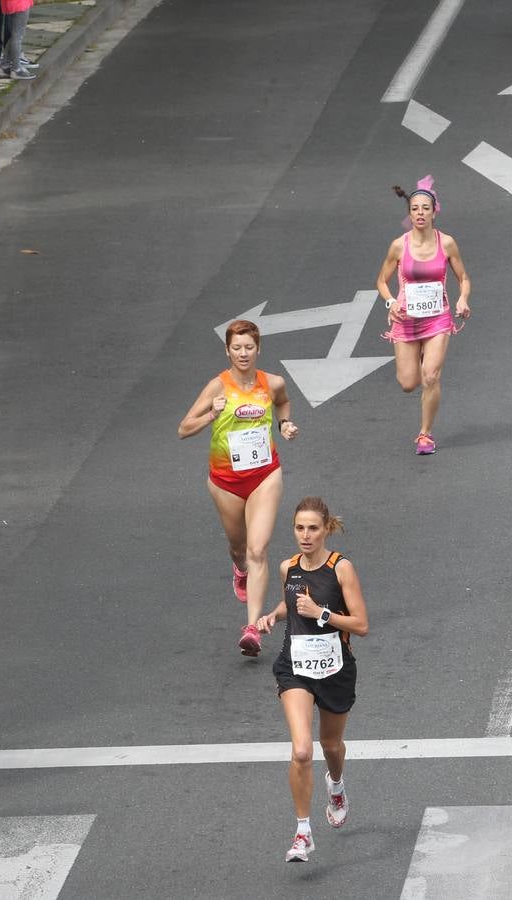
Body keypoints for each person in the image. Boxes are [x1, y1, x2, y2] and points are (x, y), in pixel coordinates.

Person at [252, 497, 369, 863]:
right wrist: (273, 614)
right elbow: (292, 603)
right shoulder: (289, 567)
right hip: (295, 668)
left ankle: (336, 786)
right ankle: (303, 832)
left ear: (326, 529)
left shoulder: (341, 569)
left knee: (330, 746)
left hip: (335, 670)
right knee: (302, 749)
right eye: (299, 528)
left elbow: (361, 625)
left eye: (313, 528)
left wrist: (322, 614)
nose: (305, 535)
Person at [178, 319, 298, 657]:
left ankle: (252, 629)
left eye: (249, 347)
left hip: (264, 475)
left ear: (258, 349)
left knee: (258, 549)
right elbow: (183, 429)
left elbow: (284, 403)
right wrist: (210, 417)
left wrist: (285, 423)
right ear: (227, 350)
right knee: (239, 547)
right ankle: (239, 569)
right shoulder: (217, 387)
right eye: (236, 348)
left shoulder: (272, 383)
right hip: (226, 482)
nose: (243, 353)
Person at [374, 177, 472, 455]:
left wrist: (463, 298)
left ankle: (425, 435)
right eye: (415, 208)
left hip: (437, 318)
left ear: (434, 211)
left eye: (425, 208)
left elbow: (464, 277)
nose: (419, 213)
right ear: (409, 213)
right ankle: (419, 357)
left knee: (430, 376)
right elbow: (381, 281)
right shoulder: (398, 246)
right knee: (408, 383)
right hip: (406, 319)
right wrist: (391, 302)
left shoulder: (447, 243)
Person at [0, 0, 38, 80]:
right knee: (18, 36)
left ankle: (5, 66)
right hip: (20, 3)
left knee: (15, 35)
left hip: (10, 3)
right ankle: (16, 69)